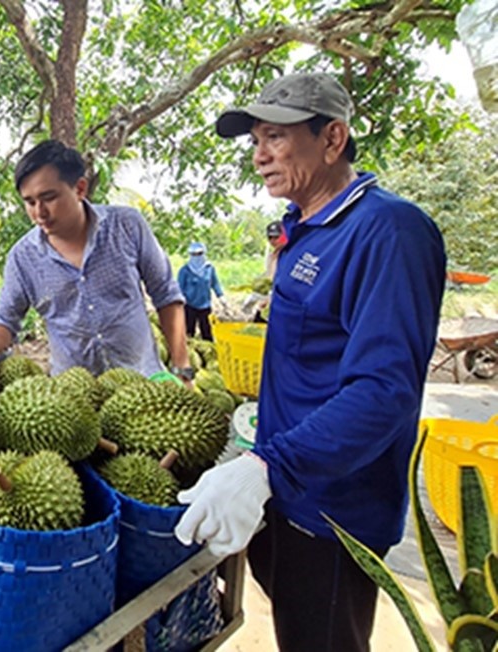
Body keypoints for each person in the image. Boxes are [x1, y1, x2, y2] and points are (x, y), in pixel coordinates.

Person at [174, 73, 446, 652]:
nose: (259, 157)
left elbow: (384, 392)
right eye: (255, 142)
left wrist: (272, 467)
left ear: (332, 138)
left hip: (332, 511)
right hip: (285, 490)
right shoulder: (305, 229)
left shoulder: (388, 231)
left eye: (274, 137)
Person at [0, 139, 192, 382]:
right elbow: (6, 319)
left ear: (80, 189)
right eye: (30, 202)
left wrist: (182, 369)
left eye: (49, 197)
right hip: (74, 396)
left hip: (142, 382)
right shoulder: (23, 257)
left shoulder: (127, 226)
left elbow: (166, 295)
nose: (39, 212)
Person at [176, 242, 224, 341]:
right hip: (189, 305)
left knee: (206, 331)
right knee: (189, 331)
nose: (196, 257)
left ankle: (209, 350)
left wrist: (221, 296)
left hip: (205, 306)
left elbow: (214, 283)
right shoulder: (185, 271)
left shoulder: (209, 269)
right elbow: (179, 288)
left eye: (199, 254)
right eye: (194, 254)